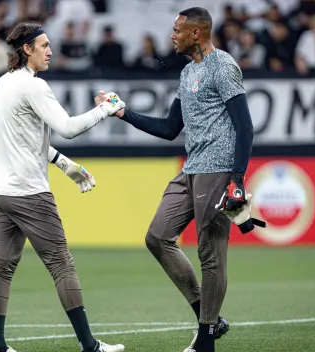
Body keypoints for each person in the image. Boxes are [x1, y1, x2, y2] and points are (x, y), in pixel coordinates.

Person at [96, 7, 255, 352]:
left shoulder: (224, 67)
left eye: (177, 30)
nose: (172, 35)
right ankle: (207, 315)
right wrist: (123, 112)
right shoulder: (187, 73)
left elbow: (244, 126)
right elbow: (170, 129)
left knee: (210, 254)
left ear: (196, 33)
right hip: (191, 167)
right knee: (157, 237)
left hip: (218, 168)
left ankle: (206, 340)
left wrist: (238, 178)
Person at [0, 22, 126, 352]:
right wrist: (107, 107)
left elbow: (26, 139)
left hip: (0, 191)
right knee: (62, 264)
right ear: (27, 50)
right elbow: (67, 128)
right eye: (44, 45)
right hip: (29, 193)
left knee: (1, 270)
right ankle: (89, 345)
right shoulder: (35, 87)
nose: (50, 51)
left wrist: (64, 164)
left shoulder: (3, 84)